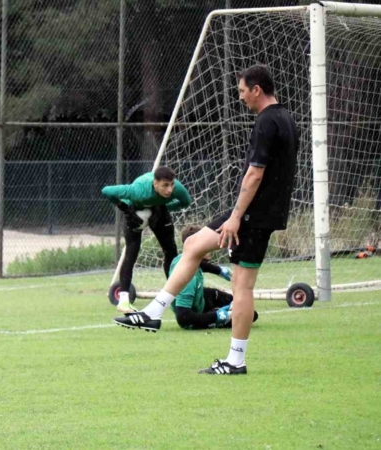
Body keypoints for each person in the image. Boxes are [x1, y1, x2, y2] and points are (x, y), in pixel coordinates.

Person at [116, 65, 298, 375]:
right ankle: (153, 312)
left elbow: (255, 174)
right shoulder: (286, 118)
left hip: (253, 215)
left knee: (242, 288)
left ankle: (235, 361)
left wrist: (237, 217)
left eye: (242, 91)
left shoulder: (267, 122)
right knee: (193, 245)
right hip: (258, 212)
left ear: (256, 89)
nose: (240, 97)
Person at [116, 225, 258, 331]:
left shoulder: (184, 259)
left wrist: (219, 270)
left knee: (245, 309)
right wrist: (217, 317)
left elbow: (201, 265)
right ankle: (214, 314)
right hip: (195, 311)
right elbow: (183, 317)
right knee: (249, 316)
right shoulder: (187, 280)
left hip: (201, 297)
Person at [101, 166, 192, 313]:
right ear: (155, 184)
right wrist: (126, 209)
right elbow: (106, 191)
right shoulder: (138, 191)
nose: (169, 190)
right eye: (165, 186)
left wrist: (163, 207)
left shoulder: (177, 189)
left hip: (160, 210)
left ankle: (173, 294)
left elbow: (186, 202)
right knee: (131, 252)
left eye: (171, 185)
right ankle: (123, 301)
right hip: (134, 210)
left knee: (171, 251)